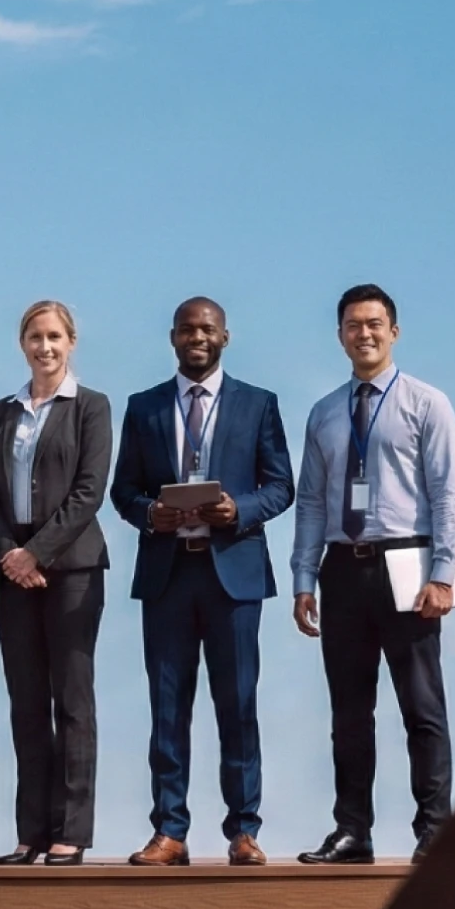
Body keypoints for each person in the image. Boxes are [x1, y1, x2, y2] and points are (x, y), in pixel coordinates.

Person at [111, 297, 294, 867]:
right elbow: (123, 490)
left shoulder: (258, 404)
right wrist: (150, 514)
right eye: (187, 329)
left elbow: (281, 486)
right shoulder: (143, 407)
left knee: (238, 705)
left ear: (225, 337)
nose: (197, 337)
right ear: (172, 337)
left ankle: (244, 830)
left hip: (233, 575)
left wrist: (238, 509)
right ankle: (170, 830)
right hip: (168, 574)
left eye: (207, 329)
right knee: (167, 708)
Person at [289, 284, 455, 866]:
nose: (363, 334)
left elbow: (447, 494)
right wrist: (304, 578)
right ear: (340, 335)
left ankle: (435, 830)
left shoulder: (427, 403)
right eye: (352, 325)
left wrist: (443, 572)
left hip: (407, 565)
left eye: (373, 324)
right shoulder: (324, 412)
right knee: (348, 712)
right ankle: (352, 830)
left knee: (421, 707)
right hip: (343, 567)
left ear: (393, 331)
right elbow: (310, 502)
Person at [0, 300, 113, 866]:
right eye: (35, 337)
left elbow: (89, 491)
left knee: (72, 701)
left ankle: (71, 831)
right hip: (13, 574)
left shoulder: (91, 407)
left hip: (73, 571)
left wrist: (37, 552)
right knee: (26, 703)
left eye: (55, 336)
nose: (45, 347)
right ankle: (30, 831)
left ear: (71, 341)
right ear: (22, 344)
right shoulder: (3, 412)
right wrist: (9, 553)